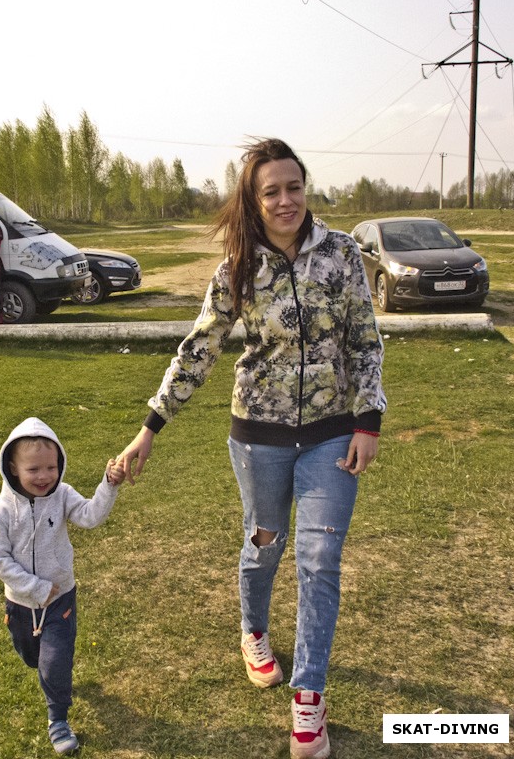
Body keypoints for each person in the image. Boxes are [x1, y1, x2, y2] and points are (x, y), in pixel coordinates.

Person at [117, 138, 386, 759]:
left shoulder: (343, 255)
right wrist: (150, 427)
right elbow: (200, 348)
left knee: (319, 561)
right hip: (258, 438)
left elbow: (366, 342)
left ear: (305, 188)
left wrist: (368, 421)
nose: (285, 200)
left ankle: (308, 703)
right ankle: (253, 629)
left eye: (294, 187)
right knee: (265, 545)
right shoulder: (238, 265)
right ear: (254, 200)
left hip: (332, 433)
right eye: (272, 191)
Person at [0, 417, 124, 755]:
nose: (44, 476)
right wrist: (33, 587)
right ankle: (46, 672)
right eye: (34, 469)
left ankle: (58, 718)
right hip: (20, 604)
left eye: (51, 467)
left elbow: (91, 516)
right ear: (13, 468)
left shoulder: (61, 495)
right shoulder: (3, 510)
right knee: (32, 658)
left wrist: (109, 483)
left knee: (55, 660)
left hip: (61, 598)